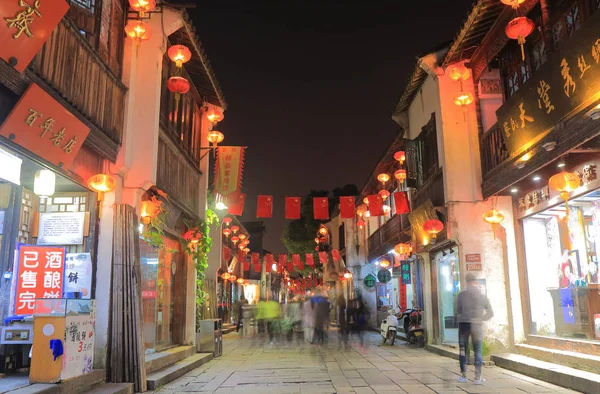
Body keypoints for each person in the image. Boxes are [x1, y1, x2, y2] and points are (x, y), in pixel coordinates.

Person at [456, 272, 493, 385]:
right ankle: (477, 377)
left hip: (464, 325)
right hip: (477, 325)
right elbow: (490, 313)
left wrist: (464, 316)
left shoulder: (461, 295)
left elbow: (458, 311)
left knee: (463, 350)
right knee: (477, 350)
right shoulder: (482, 296)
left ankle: (464, 376)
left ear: (466, 282)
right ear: (475, 282)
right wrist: (481, 318)